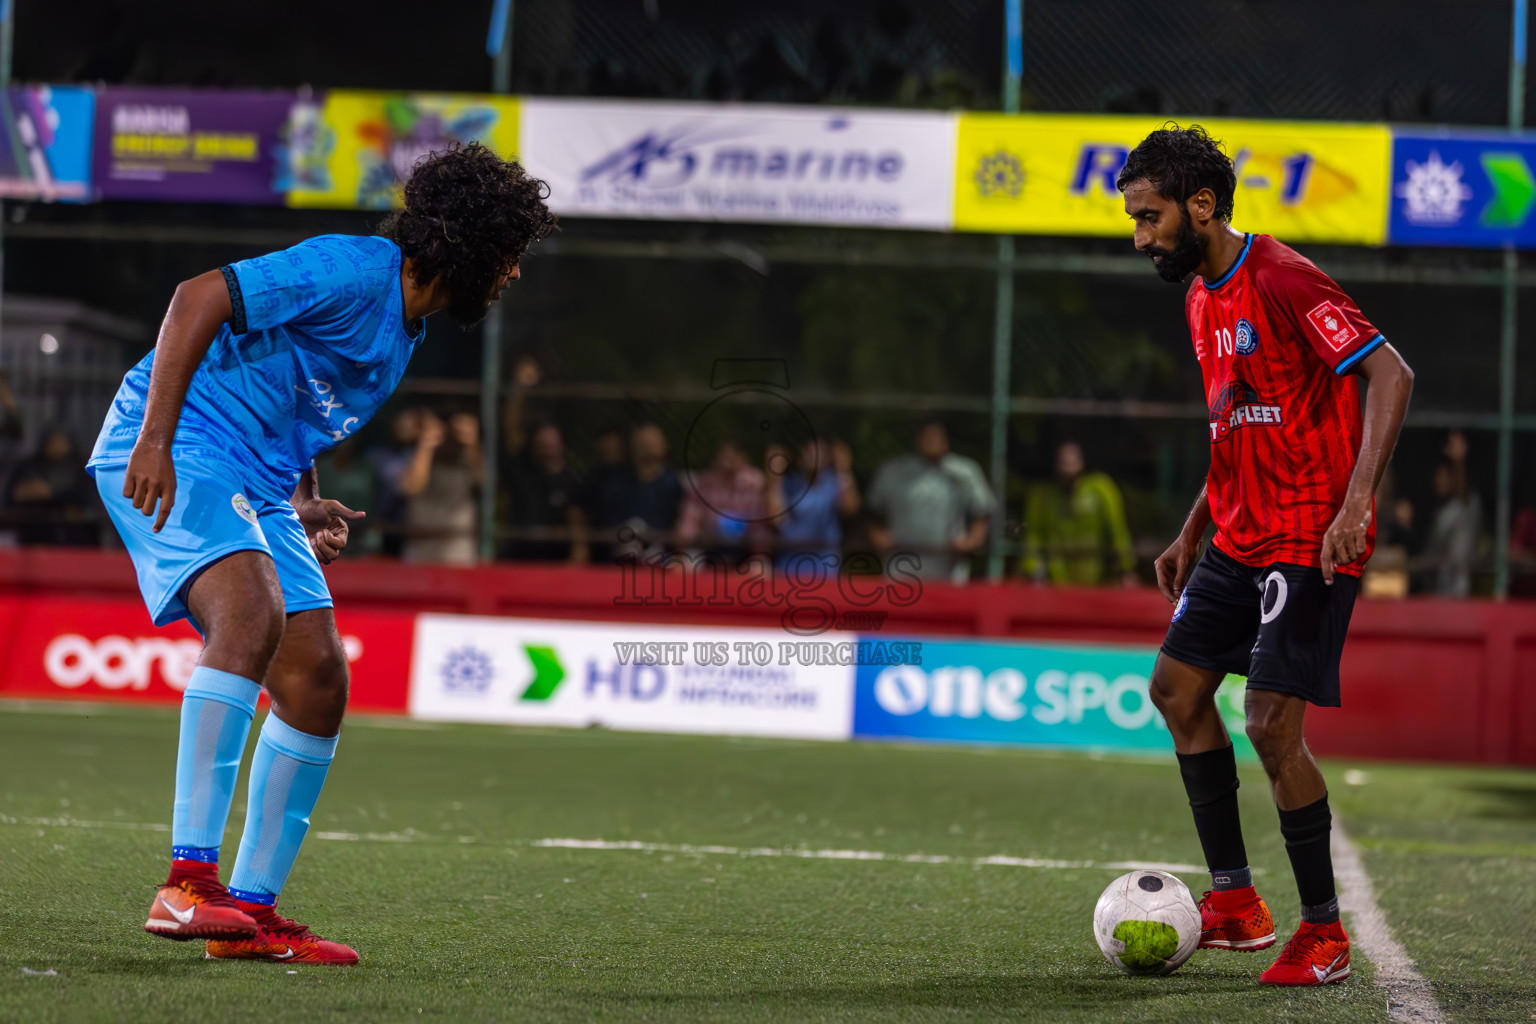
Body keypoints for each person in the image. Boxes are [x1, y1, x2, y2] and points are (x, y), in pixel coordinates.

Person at [86, 142, 556, 965]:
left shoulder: (406, 330)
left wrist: (302, 498)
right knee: (251, 612)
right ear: (474, 244)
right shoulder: (352, 268)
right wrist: (154, 440)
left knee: (318, 680)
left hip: (258, 477)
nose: (513, 275)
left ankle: (251, 918)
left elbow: (295, 398)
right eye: (510, 255)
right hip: (179, 440)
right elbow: (196, 298)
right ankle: (187, 886)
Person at [1118, 125, 1414, 986]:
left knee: (1272, 726)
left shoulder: (1282, 277)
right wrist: (1191, 527)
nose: (1141, 237)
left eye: (1150, 218)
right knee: (1175, 693)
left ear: (1201, 205)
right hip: (1237, 537)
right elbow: (1237, 423)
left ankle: (1324, 934)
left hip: (1308, 539)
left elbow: (1390, 372)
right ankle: (1238, 905)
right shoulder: (1200, 298)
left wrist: (1357, 501)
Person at [865, 420, 994, 583]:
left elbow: (981, 511)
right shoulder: (894, 470)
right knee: (902, 605)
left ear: (946, 439)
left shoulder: (965, 472)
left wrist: (973, 540)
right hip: (902, 557)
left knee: (946, 607)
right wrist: (877, 535)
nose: (930, 441)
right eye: (925, 436)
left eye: (935, 436)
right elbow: (872, 511)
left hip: (946, 559)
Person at [1021, 440, 1137, 586]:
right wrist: (1031, 568)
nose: (1068, 463)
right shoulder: (1042, 494)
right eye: (1062, 459)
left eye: (1073, 457)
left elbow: (1117, 530)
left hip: (1096, 575)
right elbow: (1033, 534)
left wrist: (1125, 568)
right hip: (1055, 578)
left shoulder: (1101, 488)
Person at [400, 409, 482, 565]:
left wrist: (472, 443)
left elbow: (482, 482)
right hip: (421, 544)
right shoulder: (416, 454)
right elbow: (413, 487)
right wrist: (426, 446)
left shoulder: (467, 456)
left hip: (457, 546)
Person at [766, 438, 860, 568]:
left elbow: (851, 509)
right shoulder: (791, 483)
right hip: (790, 559)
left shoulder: (834, 483)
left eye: (818, 452)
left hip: (824, 561)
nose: (813, 456)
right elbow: (776, 519)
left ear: (828, 458)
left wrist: (843, 469)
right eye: (808, 452)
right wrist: (775, 476)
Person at [502, 421, 589, 563]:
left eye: (550, 443)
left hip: (556, 562)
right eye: (541, 443)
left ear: (562, 445)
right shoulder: (522, 476)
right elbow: (511, 435)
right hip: (520, 560)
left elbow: (579, 528)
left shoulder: (574, 483)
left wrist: (575, 560)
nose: (546, 448)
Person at [596, 423, 682, 560]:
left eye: (652, 443)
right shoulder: (616, 482)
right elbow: (607, 519)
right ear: (633, 448)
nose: (648, 448)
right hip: (620, 552)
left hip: (661, 554)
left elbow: (680, 524)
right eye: (643, 443)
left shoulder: (673, 484)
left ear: (664, 446)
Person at [4, 429, 99, 546]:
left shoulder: (79, 468)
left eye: (61, 442)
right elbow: (11, 497)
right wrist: (30, 493)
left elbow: (88, 499)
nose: (56, 447)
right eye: (53, 442)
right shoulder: (29, 467)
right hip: (33, 532)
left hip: (74, 535)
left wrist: (51, 493)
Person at [675, 438, 767, 560]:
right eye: (724, 454)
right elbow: (688, 523)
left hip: (745, 549)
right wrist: (682, 549)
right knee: (684, 564)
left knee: (759, 569)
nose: (727, 459)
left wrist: (758, 557)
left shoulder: (755, 484)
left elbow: (760, 529)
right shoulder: (704, 484)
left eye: (733, 454)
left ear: (744, 459)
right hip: (708, 548)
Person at [1422, 433, 1481, 597]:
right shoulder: (1439, 511)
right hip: (1439, 584)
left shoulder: (1465, 505)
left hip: (1459, 585)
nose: (1438, 481)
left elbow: (1464, 497)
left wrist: (1458, 461)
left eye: (1442, 475)